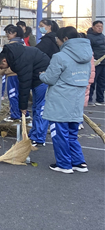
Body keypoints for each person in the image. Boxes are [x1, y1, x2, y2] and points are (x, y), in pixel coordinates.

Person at [38, 26, 92, 173]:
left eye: (57, 39)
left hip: (60, 100)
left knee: (59, 134)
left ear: (65, 39)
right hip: (77, 100)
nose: (56, 41)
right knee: (72, 134)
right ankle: (79, 162)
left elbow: (50, 79)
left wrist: (42, 75)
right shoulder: (87, 56)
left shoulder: (60, 57)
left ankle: (63, 164)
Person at [0, 42, 50, 147]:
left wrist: (23, 106)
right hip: (35, 77)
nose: (2, 69)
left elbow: (24, 84)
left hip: (43, 78)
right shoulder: (12, 57)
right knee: (36, 107)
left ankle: (39, 138)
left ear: (4, 60)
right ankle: (34, 134)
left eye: (1, 66)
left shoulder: (20, 61)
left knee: (41, 108)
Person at [0, 24, 24, 122]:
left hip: (12, 74)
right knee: (21, 94)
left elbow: (4, 62)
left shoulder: (9, 47)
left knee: (12, 94)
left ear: (15, 33)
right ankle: (24, 115)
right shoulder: (22, 44)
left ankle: (15, 115)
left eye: (8, 33)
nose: (7, 35)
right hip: (21, 74)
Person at [86, 20, 105, 106]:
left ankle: (100, 99)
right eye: (98, 26)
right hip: (95, 62)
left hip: (103, 62)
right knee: (92, 81)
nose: (100, 28)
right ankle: (89, 99)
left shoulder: (102, 36)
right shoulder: (89, 37)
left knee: (102, 82)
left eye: (101, 26)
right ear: (93, 27)